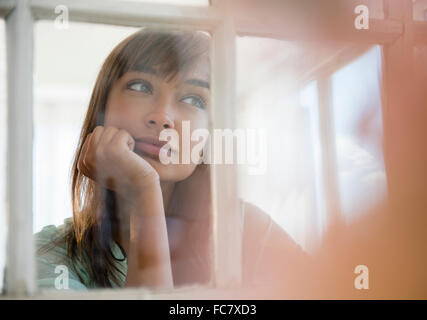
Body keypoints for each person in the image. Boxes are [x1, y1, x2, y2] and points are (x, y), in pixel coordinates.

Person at [35, 28, 311, 293]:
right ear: (101, 111)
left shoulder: (248, 231)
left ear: (208, 137)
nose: (162, 116)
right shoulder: (48, 257)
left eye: (194, 98)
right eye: (140, 86)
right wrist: (144, 191)